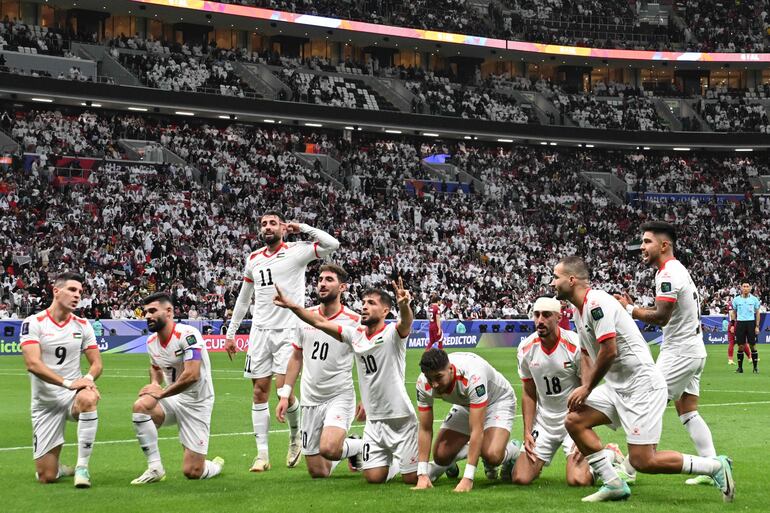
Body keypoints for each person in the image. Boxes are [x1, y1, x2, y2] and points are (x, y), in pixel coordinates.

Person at [552, 256, 734, 503]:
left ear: (571, 280)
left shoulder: (598, 303)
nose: (553, 283)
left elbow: (609, 351)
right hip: (617, 387)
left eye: (556, 277)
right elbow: (586, 353)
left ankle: (714, 466)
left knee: (643, 460)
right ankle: (613, 483)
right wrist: (585, 388)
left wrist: (587, 388)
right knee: (574, 420)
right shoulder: (576, 309)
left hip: (641, 386)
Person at [273, 277, 419, 485]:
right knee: (372, 478)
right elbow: (319, 322)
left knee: (411, 478)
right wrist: (292, 306)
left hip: (400, 416)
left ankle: (426, 466)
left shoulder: (392, 334)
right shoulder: (355, 335)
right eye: (364, 303)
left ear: (386, 311)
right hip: (373, 420)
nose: (365, 307)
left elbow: (405, 322)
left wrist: (405, 306)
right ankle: (389, 460)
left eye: (372, 303)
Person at [224, 211, 340, 471]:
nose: (267, 227)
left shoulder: (297, 251)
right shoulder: (253, 258)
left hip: (288, 329)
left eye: (273, 223)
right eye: (263, 223)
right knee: (258, 392)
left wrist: (303, 226)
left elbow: (332, 244)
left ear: (283, 228)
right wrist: (231, 334)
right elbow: (244, 299)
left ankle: (295, 436)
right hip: (260, 332)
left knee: (282, 390)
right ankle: (262, 455)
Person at [615, 221, 718, 487]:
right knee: (688, 412)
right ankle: (713, 465)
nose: (643, 247)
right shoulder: (675, 270)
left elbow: (661, 316)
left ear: (664, 245)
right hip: (693, 350)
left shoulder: (668, 273)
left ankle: (627, 469)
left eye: (647, 242)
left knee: (647, 401)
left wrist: (630, 309)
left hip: (680, 353)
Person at [275, 264, 364, 478]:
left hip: (339, 396)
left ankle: (359, 446)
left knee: (330, 449)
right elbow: (296, 356)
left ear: (342, 287)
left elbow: (364, 361)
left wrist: (367, 399)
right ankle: (352, 446)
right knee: (319, 472)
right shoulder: (305, 316)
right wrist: (285, 395)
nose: (322, 283)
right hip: (310, 399)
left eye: (329, 280)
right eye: (320, 280)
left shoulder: (354, 321)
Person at [130, 292, 223, 484]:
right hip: (174, 398)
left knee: (192, 472)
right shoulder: (151, 342)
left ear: (169, 311)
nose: (147, 316)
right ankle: (155, 468)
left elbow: (192, 375)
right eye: (146, 312)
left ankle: (215, 466)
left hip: (198, 402)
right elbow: (155, 368)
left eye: (153, 311)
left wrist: (162, 392)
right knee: (141, 406)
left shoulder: (188, 335)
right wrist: (155, 384)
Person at [20, 272, 102, 487]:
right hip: (45, 403)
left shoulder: (83, 325)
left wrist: (88, 378)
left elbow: (97, 363)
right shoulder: (33, 323)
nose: (77, 296)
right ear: (56, 291)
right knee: (46, 476)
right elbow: (33, 364)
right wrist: (67, 383)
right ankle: (59, 468)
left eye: (80, 292)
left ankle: (82, 467)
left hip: (72, 397)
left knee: (88, 397)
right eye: (72, 290)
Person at [513, 296, 602, 486]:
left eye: (546, 315)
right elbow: (528, 393)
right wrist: (527, 432)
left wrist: (583, 427)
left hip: (573, 419)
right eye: (536, 315)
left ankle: (609, 456)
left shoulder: (575, 345)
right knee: (521, 477)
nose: (540, 320)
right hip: (544, 422)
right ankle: (518, 454)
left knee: (578, 480)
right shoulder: (525, 349)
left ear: (558, 317)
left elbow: (587, 389)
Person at [412, 349, 520, 493]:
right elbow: (425, 428)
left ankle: (513, 450)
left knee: (492, 455)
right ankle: (473, 450)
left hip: (498, 401)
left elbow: (477, 429)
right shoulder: (423, 383)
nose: (434, 385)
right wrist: (422, 474)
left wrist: (468, 478)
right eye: (429, 379)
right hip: (467, 403)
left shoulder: (473, 376)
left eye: (438, 377)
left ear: (450, 369)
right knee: (441, 456)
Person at [731, 282, 762, 373]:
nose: (745, 288)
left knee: (753, 345)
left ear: (750, 288)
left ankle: (755, 368)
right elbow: (733, 312)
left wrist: (757, 326)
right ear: (741, 288)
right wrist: (732, 325)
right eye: (744, 286)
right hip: (740, 323)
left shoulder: (754, 299)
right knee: (740, 346)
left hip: (751, 323)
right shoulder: (736, 300)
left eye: (747, 286)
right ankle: (740, 368)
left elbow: (757, 313)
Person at [725, 301, 750, 366]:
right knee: (743, 342)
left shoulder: (730, 306)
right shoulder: (737, 308)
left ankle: (730, 360)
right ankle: (750, 358)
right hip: (736, 324)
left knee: (732, 342)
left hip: (731, 324)